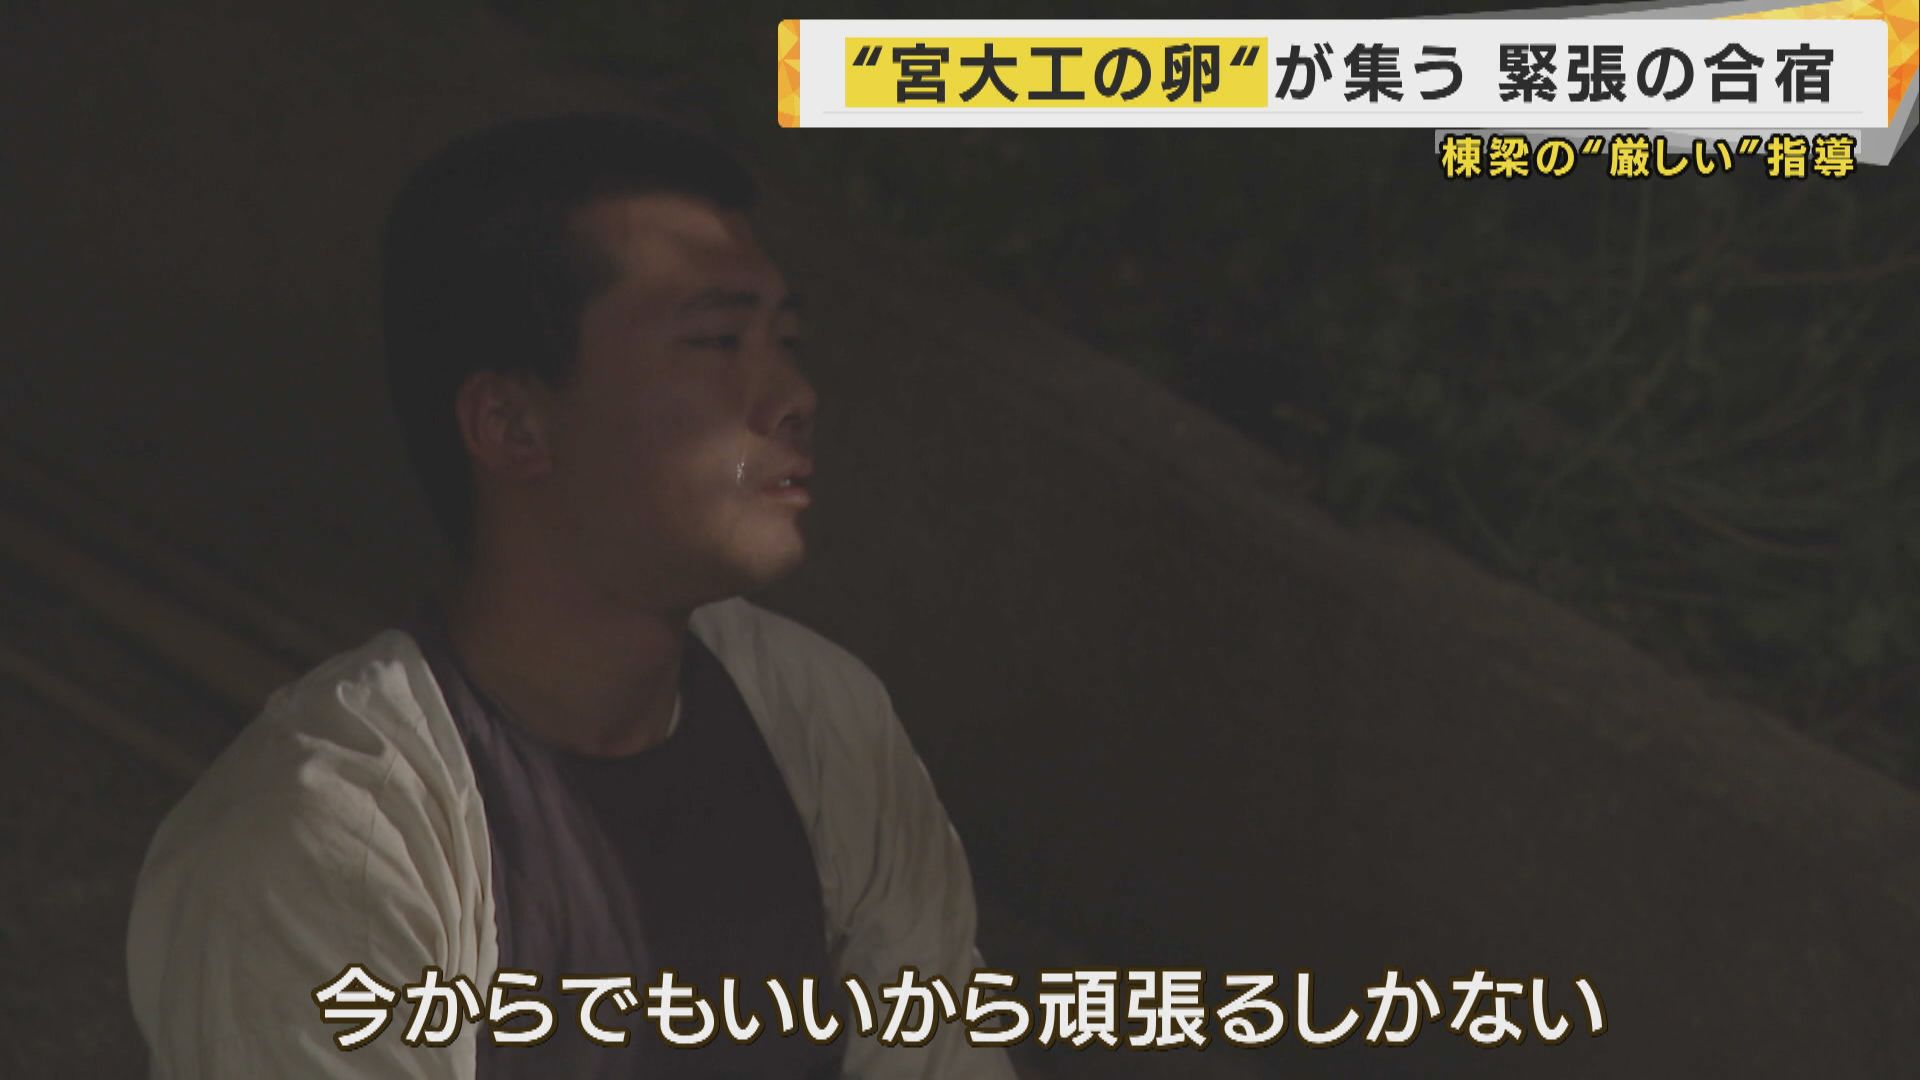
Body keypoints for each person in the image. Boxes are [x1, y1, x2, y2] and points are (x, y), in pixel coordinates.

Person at [125, 112, 1015, 1079]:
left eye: (785, 338)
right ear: (512, 425)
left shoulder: (818, 721)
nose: (792, 394)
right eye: (716, 341)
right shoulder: (341, 832)